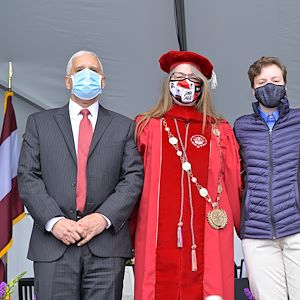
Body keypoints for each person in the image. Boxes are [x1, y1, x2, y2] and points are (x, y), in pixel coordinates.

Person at [18, 50, 143, 300]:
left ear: (103, 81)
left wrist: (103, 218)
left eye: (94, 71)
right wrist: (55, 222)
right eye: (79, 70)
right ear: (67, 81)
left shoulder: (124, 126)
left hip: (105, 247)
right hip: (53, 245)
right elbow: (27, 176)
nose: (87, 76)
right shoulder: (39, 123)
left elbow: (133, 178)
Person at [132, 50, 241, 300]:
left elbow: (234, 181)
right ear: (167, 83)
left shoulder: (219, 130)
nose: (184, 82)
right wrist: (128, 230)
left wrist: (243, 227)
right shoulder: (148, 126)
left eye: (192, 78)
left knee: (210, 285)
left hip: (209, 233)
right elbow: (132, 183)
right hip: (157, 232)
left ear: (202, 86)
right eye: (178, 76)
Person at [234, 56, 300, 300]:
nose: (269, 86)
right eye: (262, 82)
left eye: (275, 80)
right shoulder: (241, 127)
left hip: (296, 227)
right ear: (253, 87)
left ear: (284, 84)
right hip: (257, 233)